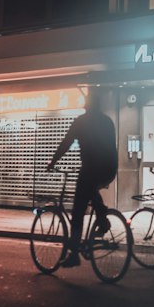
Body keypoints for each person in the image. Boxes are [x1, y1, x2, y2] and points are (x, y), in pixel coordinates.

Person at [46, 92, 117, 268]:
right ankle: (102, 217)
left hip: (92, 167)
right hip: (109, 168)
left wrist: (53, 162)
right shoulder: (107, 121)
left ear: (86, 105)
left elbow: (66, 143)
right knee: (91, 189)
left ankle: (74, 254)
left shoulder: (81, 121)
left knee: (78, 209)